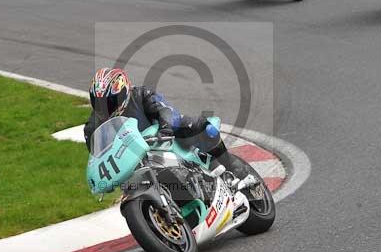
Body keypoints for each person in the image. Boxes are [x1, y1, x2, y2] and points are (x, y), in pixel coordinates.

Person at [84, 68, 254, 181]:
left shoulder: (140, 94)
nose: (105, 107)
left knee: (195, 127)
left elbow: (163, 109)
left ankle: (233, 167)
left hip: (161, 137)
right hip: (134, 157)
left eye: (110, 101)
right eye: (98, 102)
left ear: (124, 92)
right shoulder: (92, 127)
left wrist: (165, 128)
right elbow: (98, 154)